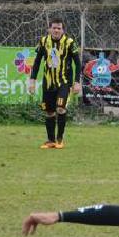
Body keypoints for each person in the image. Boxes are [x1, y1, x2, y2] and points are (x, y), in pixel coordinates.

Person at [27, 18, 81, 149]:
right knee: (49, 112)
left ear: (63, 30)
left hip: (64, 82)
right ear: (49, 29)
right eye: (54, 28)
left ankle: (59, 139)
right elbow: (37, 61)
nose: (56, 30)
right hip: (48, 83)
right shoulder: (44, 41)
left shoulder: (69, 43)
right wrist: (32, 80)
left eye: (59, 28)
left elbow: (78, 63)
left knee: (60, 108)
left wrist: (77, 82)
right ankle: (50, 140)